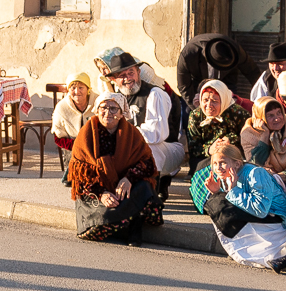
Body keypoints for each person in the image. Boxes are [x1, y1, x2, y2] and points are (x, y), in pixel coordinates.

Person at [67, 92, 163, 247]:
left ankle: (131, 224)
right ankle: (129, 222)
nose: (107, 112)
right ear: (97, 111)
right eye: (103, 108)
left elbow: (148, 163)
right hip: (96, 192)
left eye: (113, 108)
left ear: (121, 112)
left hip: (124, 191)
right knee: (97, 224)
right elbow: (79, 175)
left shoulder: (132, 133)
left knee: (145, 189)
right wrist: (101, 193)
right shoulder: (86, 134)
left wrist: (129, 178)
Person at [96, 48, 185, 196]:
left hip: (168, 150)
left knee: (149, 148)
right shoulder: (116, 99)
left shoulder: (155, 94)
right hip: (132, 148)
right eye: (122, 75)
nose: (128, 78)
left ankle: (152, 193)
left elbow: (156, 134)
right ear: (113, 80)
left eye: (131, 73)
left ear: (138, 72)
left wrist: (123, 135)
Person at [204, 142, 286, 270]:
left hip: (277, 218)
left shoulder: (255, 173)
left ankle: (266, 254)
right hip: (263, 216)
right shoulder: (229, 175)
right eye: (215, 163)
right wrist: (217, 191)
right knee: (216, 201)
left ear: (237, 163)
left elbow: (261, 209)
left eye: (222, 162)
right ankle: (243, 250)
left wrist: (233, 191)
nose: (218, 167)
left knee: (220, 204)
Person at [177, 33, 260, 105]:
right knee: (188, 111)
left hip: (227, 82)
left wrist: (261, 99)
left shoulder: (236, 52)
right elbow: (183, 86)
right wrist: (196, 109)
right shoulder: (188, 55)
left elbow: (253, 72)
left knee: (231, 109)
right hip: (198, 85)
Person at [186, 79, 250, 170]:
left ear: (223, 100)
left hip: (233, 157)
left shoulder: (239, 113)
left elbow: (249, 141)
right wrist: (210, 149)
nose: (209, 105)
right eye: (205, 100)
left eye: (214, 101)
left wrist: (230, 141)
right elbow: (193, 147)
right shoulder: (196, 116)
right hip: (206, 159)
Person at [241, 96, 286, 176]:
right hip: (268, 177)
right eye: (270, 115)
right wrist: (265, 136)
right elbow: (255, 165)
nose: (277, 119)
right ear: (260, 117)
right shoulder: (249, 134)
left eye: (279, 112)